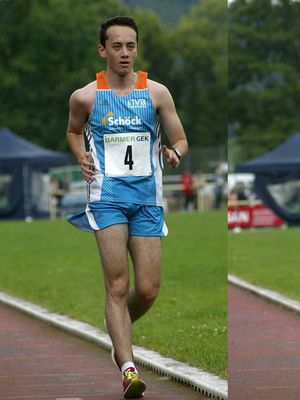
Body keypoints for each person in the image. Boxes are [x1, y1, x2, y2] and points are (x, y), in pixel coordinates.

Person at [66, 16, 187, 399]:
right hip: (107, 200)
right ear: (103, 50)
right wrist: (80, 154)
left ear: (137, 49)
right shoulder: (85, 97)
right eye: (116, 46)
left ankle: (115, 325)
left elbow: (181, 139)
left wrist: (173, 152)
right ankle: (128, 367)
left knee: (148, 289)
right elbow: (72, 131)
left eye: (130, 46)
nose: (124, 53)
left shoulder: (157, 93)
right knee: (117, 284)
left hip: (147, 200)